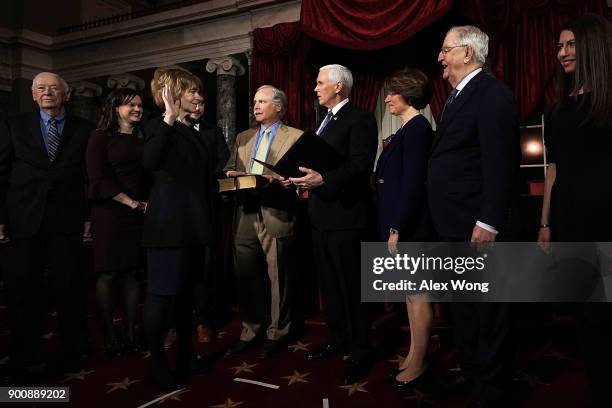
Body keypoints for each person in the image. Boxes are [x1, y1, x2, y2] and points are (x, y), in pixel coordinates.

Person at [428, 26, 518, 406]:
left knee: (489, 314)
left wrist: (489, 221)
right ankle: (471, 375)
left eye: (446, 50)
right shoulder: (456, 97)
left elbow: (502, 163)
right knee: (464, 311)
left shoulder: (492, 93)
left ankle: (492, 391)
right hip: (453, 225)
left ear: (467, 53)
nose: (440, 58)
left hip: (477, 228)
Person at [537, 14, 612, 407]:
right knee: (586, 316)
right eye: (559, 46)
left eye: (571, 45)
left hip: (607, 218)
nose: (563, 52)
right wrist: (546, 222)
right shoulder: (556, 111)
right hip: (570, 219)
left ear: (592, 48)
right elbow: (553, 171)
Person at [0, 72, 92, 382]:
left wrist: (89, 218)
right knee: (22, 290)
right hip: (22, 221)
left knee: (69, 287)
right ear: (33, 95)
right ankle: (22, 352)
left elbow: (88, 180)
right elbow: (1, 171)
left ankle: (73, 349)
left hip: (67, 222)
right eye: (41, 88)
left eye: (54, 88)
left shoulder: (85, 129)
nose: (48, 92)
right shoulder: (15, 125)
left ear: (66, 94)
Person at [289, 64, 378, 384]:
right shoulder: (322, 122)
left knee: (352, 286)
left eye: (319, 83)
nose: (314, 88)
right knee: (330, 286)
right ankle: (337, 339)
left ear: (339, 87)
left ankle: (360, 349)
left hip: (347, 217)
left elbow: (360, 165)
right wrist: (298, 180)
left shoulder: (361, 118)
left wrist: (323, 179)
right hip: (320, 217)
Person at [142, 68, 214, 390]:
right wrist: (169, 117)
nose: (199, 97)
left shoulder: (193, 131)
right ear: (172, 94)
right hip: (168, 227)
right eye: (192, 92)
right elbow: (151, 162)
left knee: (186, 298)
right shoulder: (158, 126)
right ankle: (157, 363)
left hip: (193, 225)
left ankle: (186, 356)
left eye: (199, 92)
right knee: (161, 297)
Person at [223, 85, 302, 359]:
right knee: (246, 275)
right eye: (255, 101)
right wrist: (233, 173)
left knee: (279, 277)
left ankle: (277, 332)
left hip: (276, 211)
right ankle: (250, 330)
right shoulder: (243, 137)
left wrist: (278, 182)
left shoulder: (296, 137)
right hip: (245, 212)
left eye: (262, 101)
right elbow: (229, 168)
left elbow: (300, 181)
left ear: (278, 107)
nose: (256, 106)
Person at [375, 68, 434, 388]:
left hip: (412, 227)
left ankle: (420, 361)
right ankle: (413, 355)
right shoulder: (407, 129)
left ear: (408, 94)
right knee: (411, 296)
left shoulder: (418, 128)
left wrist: (397, 227)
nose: (387, 98)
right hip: (403, 225)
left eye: (393, 93)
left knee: (419, 295)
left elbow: (412, 184)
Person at [86, 88, 147, 356]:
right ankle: (110, 335)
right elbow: (97, 178)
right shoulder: (100, 137)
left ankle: (132, 332)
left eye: (139, 105)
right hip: (110, 213)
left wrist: (144, 203)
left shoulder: (144, 137)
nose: (137, 108)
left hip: (140, 213)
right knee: (109, 273)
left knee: (133, 272)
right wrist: (130, 202)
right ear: (115, 108)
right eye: (130, 105)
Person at [188, 96, 230, 343]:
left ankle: (203, 320)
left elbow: (223, 165)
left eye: (202, 103)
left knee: (204, 267)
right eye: (193, 102)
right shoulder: (163, 127)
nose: (198, 107)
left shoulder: (212, 132)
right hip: (175, 210)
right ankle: (175, 323)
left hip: (206, 207)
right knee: (178, 268)